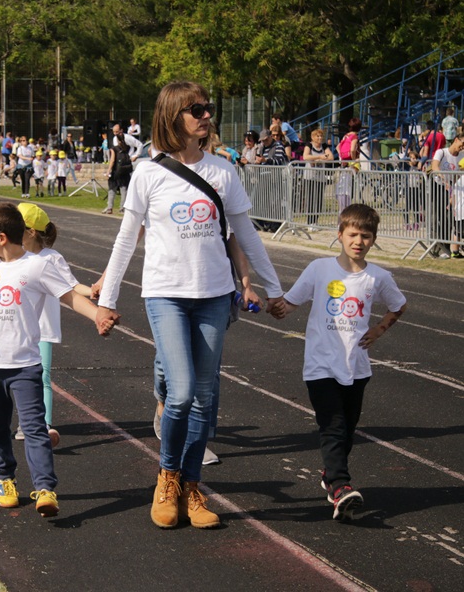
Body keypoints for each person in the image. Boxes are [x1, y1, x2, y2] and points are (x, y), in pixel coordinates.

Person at [95, 81, 283, 530]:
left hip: (214, 296)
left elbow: (246, 233)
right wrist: (107, 299)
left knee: (204, 398)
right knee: (179, 393)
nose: (206, 115)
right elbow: (126, 239)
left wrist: (273, 287)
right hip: (166, 294)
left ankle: (193, 486)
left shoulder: (223, 170)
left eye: (207, 108)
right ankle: (168, 478)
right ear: (172, 116)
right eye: (195, 109)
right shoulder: (147, 173)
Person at [0, 202, 101, 518]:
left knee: (34, 427)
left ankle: (45, 488)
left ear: (2, 238)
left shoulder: (37, 266)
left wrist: (97, 316)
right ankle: (5, 479)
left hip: (24, 365)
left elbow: (69, 296)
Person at [272, 204, 406, 521]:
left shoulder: (378, 277)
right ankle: (340, 487)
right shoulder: (319, 269)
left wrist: (379, 329)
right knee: (332, 425)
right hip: (320, 365)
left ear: (374, 239)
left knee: (347, 429)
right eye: (353, 235)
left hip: (356, 367)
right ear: (340, 235)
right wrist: (276, 307)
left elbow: (398, 305)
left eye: (366, 236)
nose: (359, 241)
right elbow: (290, 303)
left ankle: (330, 473)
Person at [18, 203, 93, 447]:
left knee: (43, 376)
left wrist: (93, 291)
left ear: (31, 232)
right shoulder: (13, 256)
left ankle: (44, 425)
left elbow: (72, 286)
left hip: (44, 327)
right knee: (19, 377)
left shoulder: (52, 258)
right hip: (19, 327)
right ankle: (26, 420)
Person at [429, 132, 463, 258]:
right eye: (462, 143)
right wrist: (444, 180)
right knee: (437, 217)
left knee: (450, 218)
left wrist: (453, 186)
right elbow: (435, 166)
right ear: (456, 139)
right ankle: (437, 248)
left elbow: (459, 174)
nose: (463, 147)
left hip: (452, 190)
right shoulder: (442, 152)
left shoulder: (462, 156)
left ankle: (448, 247)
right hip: (437, 186)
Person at [105, 122, 141, 214]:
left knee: (113, 188)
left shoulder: (126, 139)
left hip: (119, 168)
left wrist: (135, 155)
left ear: (121, 131)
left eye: (117, 132)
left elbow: (139, 145)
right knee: (123, 188)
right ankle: (121, 207)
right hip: (124, 167)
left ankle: (112, 207)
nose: (115, 134)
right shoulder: (122, 145)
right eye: (114, 132)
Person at [301, 128, 334, 228]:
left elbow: (331, 157)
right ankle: (310, 222)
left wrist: (322, 159)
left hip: (320, 177)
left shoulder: (324, 146)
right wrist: (319, 157)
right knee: (311, 199)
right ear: (313, 137)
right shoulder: (309, 145)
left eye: (321, 136)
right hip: (309, 177)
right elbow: (306, 156)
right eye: (317, 136)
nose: (320, 138)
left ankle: (315, 221)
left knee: (319, 200)